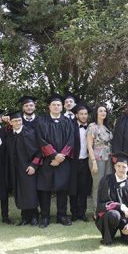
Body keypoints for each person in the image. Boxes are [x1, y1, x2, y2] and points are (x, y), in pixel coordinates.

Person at [35, 94, 75, 227]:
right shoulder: (42, 121)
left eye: (58, 105)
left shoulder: (67, 122)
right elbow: (40, 140)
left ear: (62, 107)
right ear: (49, 107)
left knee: (62, 189)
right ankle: (45, 216)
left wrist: (60, 157)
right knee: (45, 189)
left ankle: (62, 216)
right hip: (47, 160)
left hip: (63, 161)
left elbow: (71, 140)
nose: (56, 107)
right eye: (54, 105)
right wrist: (53, 155)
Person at [95, 152, 128, 245]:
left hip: (127, 218)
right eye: (118, 166)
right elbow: (102, 204)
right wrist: (120, 206)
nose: (121, 169)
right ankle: (109, 235)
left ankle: (125, 232)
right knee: (113, 214)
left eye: (124, 167)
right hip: (111, 217)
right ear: (115, 167)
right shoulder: (106, 181)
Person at [5, 111, 41, 226]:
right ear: (11, 123)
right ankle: (25, 217)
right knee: (19, 192)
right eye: (15, 121)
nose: (18, 123)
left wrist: (33, 165)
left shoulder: (30, 132)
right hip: (15, 169)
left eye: (20, 120)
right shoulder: (9, 135)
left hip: (28, 168)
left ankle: (34, 216)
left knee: (30, 192)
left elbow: (39, 151)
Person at [69, 102, 93, 221]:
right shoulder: (71, 127)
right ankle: (73, 213)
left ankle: (82, 213)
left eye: (85, 114)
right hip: (73, 162)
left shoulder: (91, 128)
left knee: (83, 189)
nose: (84, 116)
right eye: (81, 114)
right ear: (77, 115)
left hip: (86, 161)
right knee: (73, 188)